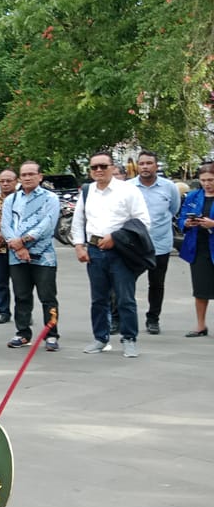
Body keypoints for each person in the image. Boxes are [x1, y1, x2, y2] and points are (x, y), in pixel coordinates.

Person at [72, 151, 152, 358]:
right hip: (94, 251)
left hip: (121, 252)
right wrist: (79, 246)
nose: (98, 170)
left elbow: (143, 222)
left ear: (112, 167)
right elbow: (78, 221)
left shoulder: (128, 190)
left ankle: (129, 338)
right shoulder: (88, 191)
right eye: (94, 167)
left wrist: (116, 237)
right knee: (99, 298)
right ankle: (100, 337)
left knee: (125, 298)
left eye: (103, 166)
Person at [3, 162, 62, 352]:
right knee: (21, 296)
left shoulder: (50, 198)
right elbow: (6, 226)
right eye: (24, 175)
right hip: (16, 256)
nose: (27, 178)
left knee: (48, 297)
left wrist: (24, 241)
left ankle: (51, 335)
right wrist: (17, 246)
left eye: (31, 174)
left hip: (44, 256)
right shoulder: (11, 200)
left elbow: (47, 224)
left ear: (40, 176)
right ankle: (22, 333)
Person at [129, 151, 180, 335]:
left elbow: (174, 209)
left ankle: (153, 319)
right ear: (137, 166)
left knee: (157, 284)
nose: (145, 166)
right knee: (125, 282)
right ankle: (121, 318)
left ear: (156, 166)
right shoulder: (128, 187)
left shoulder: (169, 187)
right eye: (141, 163)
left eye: (149, 163)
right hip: (134, 246)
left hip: (160, 244)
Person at [178, 163, 214, 337]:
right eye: (204, 180)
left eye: (211, 180)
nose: (207, 184)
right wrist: (186, 223)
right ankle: (200, 325)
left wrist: (213, 225)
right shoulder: (193, 196)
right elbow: (181, 217)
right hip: (198, 248)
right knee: (200, 289)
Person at [0, 170, 18, 324]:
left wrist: (5, 232)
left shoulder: (22, 200)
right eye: (2, 181)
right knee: (1, 282)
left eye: (9, 181)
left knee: (21, 284)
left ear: (16, 182)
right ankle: (3, 311)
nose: (5, 184)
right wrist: (6, 228)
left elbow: (24, 221)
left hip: (18, 248)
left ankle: (23, 312)